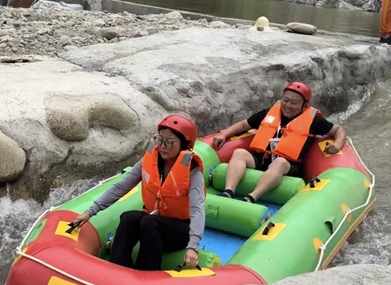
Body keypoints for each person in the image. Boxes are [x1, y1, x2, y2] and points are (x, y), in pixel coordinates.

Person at [70, 115, 206, 271]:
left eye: (170, 142)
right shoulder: (151, 160)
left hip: (180, 230)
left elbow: (197, 209)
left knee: (149, 222)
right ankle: (117, 268)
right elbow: (121, 186)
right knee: (129, 218)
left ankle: (146, 273)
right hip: (154, 222)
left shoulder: (192, 172)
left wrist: (193, 246)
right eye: (160, 140)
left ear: (184, 145)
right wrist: (90, 212)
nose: (163, 146)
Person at [211, 82, 346, 203]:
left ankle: (252, 197)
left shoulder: (314, 121)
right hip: (262, 160)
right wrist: (224, 135)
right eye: (285, 100)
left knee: (280, 162)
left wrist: (337, 144)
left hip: (288, 167)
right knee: (239, 153)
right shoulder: (269, 113)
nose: (288, 105)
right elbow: (243, 125)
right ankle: (228, 191)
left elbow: (338, 130)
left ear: (304, 105)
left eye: (294, 103)